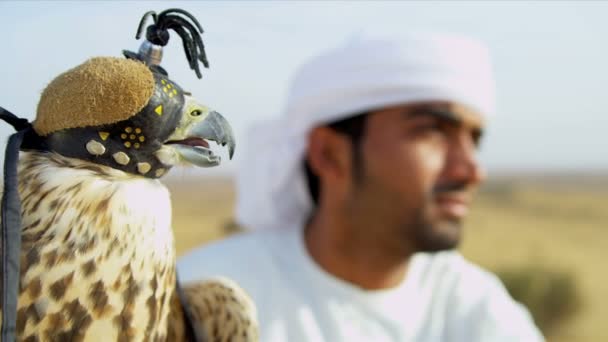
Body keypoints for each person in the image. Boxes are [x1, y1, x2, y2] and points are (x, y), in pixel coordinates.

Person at [178, 30, 544, 341]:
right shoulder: (199, 296)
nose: (471, 170)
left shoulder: (477, 307)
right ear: (329, 154)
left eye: (474, 140)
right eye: (432, 132)